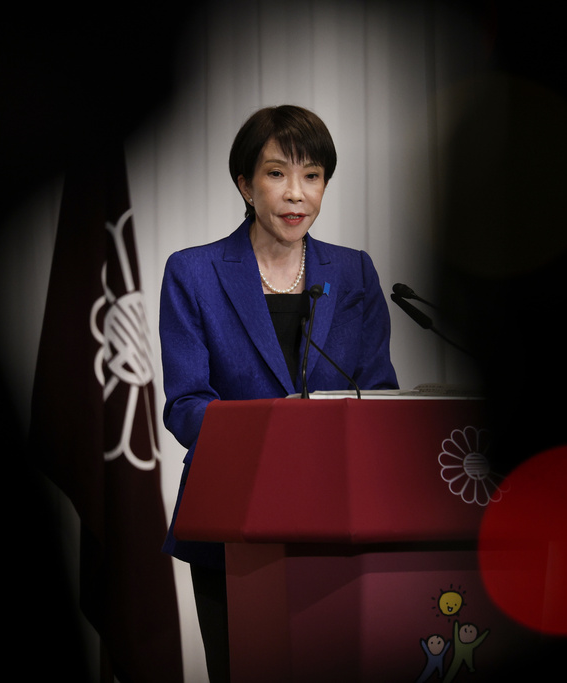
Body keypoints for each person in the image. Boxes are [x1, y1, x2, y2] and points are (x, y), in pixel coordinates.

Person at [159, 104, 399, 681]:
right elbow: (186, 403)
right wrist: (273, 435)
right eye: (276, 174)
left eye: (312, 175)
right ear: (245, 184)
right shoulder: (193, 272)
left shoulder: (355, 272)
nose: (297, 194)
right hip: (232, 514)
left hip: (338, 516)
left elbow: (379, 395)